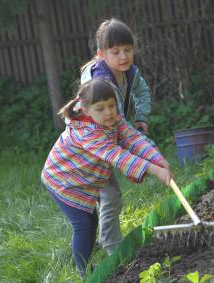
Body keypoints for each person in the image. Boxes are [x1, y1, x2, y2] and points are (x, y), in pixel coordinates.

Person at [41, 79, 172, 276]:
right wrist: (154, 170)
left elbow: (132, 138)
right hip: (63, 183)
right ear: (86, 110)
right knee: (83, 226)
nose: (109, 112)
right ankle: (85, 273)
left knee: (91, 221)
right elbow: (119, 156)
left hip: (82, 182)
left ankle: (86, 265)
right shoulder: (88, 133)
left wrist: (157, 159)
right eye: (101, 108)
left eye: (111, 105)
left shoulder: (112, 119)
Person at [79, 18, 156, 255]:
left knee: (105, 196)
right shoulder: (101, 82)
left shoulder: (130, 73)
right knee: (109, 195)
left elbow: (141, 92)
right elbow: (119, 126)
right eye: (116, 52)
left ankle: (97, 242)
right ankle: (111, 248)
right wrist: (147, 154)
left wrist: (142, 118)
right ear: (102, 55)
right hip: (89, 144)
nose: (123, 56)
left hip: (108, 138)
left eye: (128, 49)